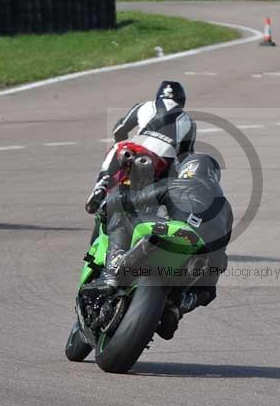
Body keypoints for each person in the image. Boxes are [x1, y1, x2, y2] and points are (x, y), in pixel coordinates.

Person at [100, 153, 233, 339]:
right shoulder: (225, 206)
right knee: (209, 284)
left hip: (174, 232)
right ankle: (178, 307)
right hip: (204, 252)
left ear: (188, 169)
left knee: (121, 214)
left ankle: (113, 268)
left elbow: (136, 199)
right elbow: (223, 243)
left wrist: (110, 203)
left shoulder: (177, 183)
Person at [85, 80, 195, 214]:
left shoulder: (143, 106)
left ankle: (102, 184)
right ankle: (169, 213)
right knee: (174, 187)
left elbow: (119, 130)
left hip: (136, 149)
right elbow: (186, 156)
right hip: (165, 160)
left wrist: (121, 147)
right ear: (182, 100)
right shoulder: (189, 121)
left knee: (117, 148)